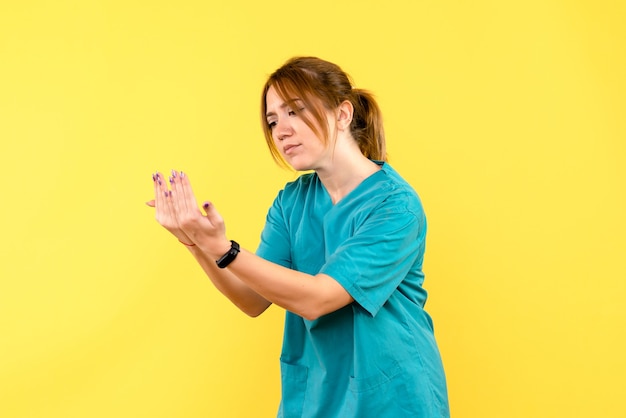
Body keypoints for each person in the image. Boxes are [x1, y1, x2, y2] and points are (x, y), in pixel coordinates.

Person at [148, 56, 449, 417]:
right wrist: (196, 243)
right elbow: (251, 300)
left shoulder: (396, 206)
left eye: (294, 111)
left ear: (342, 115)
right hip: (318, 395)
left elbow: (319, 298)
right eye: (273, 120)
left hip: (392, 399)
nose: (280, 130)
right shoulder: (292, 201)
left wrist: (223, 249)